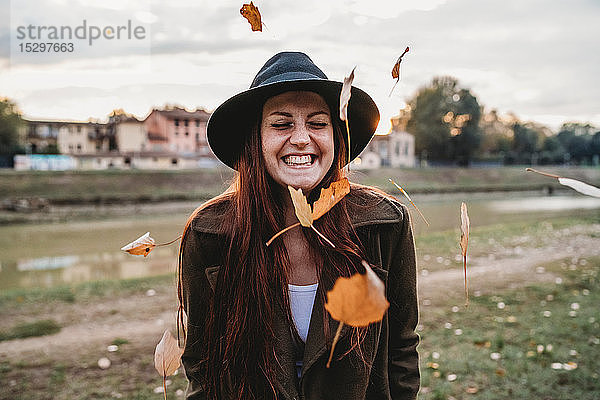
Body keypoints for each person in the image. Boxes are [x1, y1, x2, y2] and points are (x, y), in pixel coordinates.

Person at [177, 52, 420, 400]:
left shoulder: (383, 225)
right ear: (255, 140)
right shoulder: (210, 235)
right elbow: (201, 365)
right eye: (281, 124)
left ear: (336, 137)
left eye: (318, 123)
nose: (302, 138)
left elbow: (402, 349)